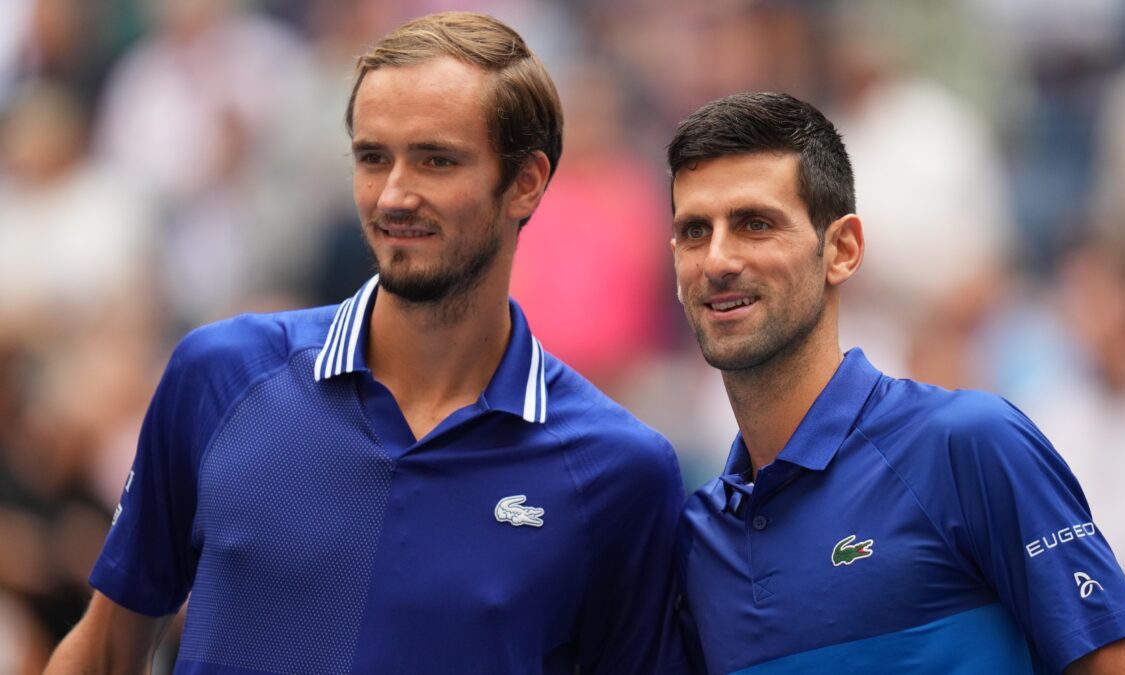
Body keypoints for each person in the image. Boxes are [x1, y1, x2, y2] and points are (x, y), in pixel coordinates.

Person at [45, 12, 685, 674]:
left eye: (436, 159)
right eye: (373, 158)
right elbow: (105, 651)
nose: (395, 195)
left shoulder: (621, 471)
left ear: (526, 182)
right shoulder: (219, 376)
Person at [666, 92, 1125, 674]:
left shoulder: (971, 444)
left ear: (842, 250)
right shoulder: (697, 538)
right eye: (695, 231)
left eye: (756, 224)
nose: (718, 259)